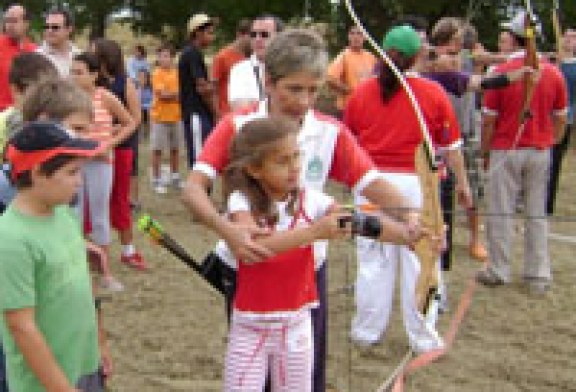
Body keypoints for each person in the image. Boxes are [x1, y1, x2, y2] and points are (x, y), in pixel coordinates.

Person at [183, 29, 425, 392]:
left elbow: (371, 183)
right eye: (293, 89)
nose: (304, 100)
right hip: (249, 270)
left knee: (303, 377)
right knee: (252, 373)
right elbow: (192, 189)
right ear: (268, 80)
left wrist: (411, 219)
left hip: (308, 272)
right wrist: (228, 231)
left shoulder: (329, 131)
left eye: (313, 90)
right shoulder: (238, 126)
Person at [344, 25, 472, 351]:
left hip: (372, 183)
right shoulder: (431, 93)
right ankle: (423, 337)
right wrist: (463, 185)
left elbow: (349, 143)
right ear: (417, 55)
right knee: (420, 260)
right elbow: (452, 147)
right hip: (415, 186)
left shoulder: (362, 93)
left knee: (374, 260)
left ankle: (367, 332)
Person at [222, 116, 350, 391]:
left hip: (296, 328)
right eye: (282, 161)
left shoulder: (311, 200)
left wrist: (408, 231)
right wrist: (314, 232)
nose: (294, 168)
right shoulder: (240, 202)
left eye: (296, 157)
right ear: (254, 170)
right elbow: (256, 248)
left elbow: (353, 219)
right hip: (250, 328)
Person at [0, 121, 106, 392]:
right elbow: (21, 327)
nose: (79, 181)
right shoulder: (11, 240)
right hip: (46, 382)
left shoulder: (62, 213)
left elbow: (83, 292)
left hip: (84, 364)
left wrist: (99, 346)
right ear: (37, 173)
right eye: (71, 172)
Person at [478, 11, 568, 294]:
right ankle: (537, 275)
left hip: (507, 149)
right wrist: (551, 139)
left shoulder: (502, 73)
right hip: (539, 150)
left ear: (514, 39)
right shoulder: (553, 72)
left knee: (500, 212)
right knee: (536, 213)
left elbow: (489, 120)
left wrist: (485, 152)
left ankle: (499, 269)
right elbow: (561, 117)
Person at [70, 52, 136, 286]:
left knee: (99, 215)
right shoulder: (68, 99)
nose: (74, 77)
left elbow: (130, 122)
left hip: (100, 163)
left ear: (94, 74)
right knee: (73, 215)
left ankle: (104, 271)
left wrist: (109, 143)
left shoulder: (104, 97)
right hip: (75, 163)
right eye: (72, 72)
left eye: (79, 72)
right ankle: (77, 270)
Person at [92, 38, 145, 269]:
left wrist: (112, 135)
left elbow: (136, 118)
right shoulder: (95, 83)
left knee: (120, 198)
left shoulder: (126, 83)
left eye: (94, 53)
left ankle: (128, 249)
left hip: (121, 148)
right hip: (98, 148)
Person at [0, 53, 59, 211]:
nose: (48, 100)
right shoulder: (6, 121)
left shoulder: (52, 122)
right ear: (16, 90)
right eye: (41, 93)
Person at [179, 13, 217, 168]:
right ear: (197, 33)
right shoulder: (192, 53)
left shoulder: (194, 53)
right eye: (209, 32)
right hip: (196, 113)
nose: (212, 37)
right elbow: (202, 87)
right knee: (200, 163)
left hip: (199, 114)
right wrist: (215, 111)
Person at [547, 27, 576, 215]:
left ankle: (548, 202)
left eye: (573, 38)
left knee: (555, 160)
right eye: (566, 36)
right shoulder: (551, 62)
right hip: (545, 116)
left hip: (566, 117)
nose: (569, 40)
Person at [228, 15, 284, 112]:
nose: (257, 39)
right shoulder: (240, 70)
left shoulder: (290, 67)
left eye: (264, 34)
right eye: (253, 35)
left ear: (279, 37)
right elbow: (241, 108)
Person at [150, 44, 182, 194]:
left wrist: (173, 94)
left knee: (175, 149)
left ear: (172, 58)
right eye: (161, 56)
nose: (164, 59)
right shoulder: (157, 73)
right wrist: (176, 95)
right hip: (160, 118)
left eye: (167, 56)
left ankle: (175, 176)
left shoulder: (177, 73)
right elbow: (162, 95)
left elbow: (178, 94)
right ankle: (156, 179)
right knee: (157, 150)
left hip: (176, 116)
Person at [326, 25, 377, 117]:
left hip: (366, 108)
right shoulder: (344, 56)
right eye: (352, 33)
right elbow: (330, 79)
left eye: (359, 34)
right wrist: (349, 90)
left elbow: (377, 79)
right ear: (349, 37)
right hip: (347, 109)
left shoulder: (370, 57)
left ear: (365, 37)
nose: (356, 37)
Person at [0, 4, 37, 111]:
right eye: (7, 21)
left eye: (14, 21)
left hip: (25, 112)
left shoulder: (34, 50)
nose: (10, 25)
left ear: (26, 23)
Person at [211, 18, 251, 116]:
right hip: (227, 113)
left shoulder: (251, 56)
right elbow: (213, 89)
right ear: (239, 35)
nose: (253, 40)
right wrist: (217, 114)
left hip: (247, 113)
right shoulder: (222, 57)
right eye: (251, 36)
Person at [36, 7, 80, 76]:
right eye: (47, 27)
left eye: (55, 27)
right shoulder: (37, 57)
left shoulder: (79, 55)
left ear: (69, 29)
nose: (49, 30)